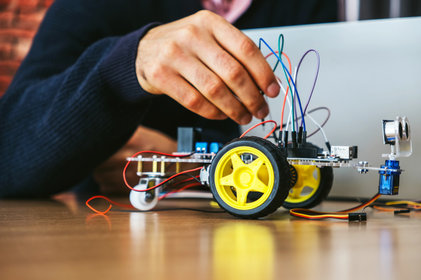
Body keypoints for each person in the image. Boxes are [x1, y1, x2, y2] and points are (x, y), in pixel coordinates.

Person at [0, 0, 337, 197]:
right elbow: (9, 150)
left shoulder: (315, 7)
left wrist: (186, 164)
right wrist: (130, 64)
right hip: (113, 247)